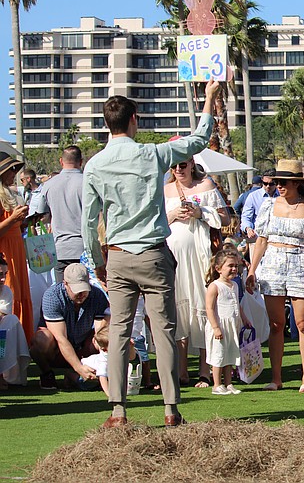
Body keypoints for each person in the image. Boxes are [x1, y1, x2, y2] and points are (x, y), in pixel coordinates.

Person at [82, 79, 219, 428]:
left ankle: (117, 410)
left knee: (119, 333)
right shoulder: (152, 154)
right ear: (133, 121)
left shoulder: (95, 165)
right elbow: (198, 140)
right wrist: (209, 98)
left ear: (106, 123)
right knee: (164, 331)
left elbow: (88, 221)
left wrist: (98, 262)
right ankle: (171, 408)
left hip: (118, 256)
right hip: (154, 254)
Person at [246, 159, 304, 393]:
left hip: (301, 264)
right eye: (276, 181)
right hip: (272, 265)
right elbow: (261, 240)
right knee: (276, 324)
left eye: (284, 182)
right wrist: (252, 269)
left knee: (303, 324)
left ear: (296, 183)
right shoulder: (268, 206)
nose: (279, 186)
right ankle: (276, 378)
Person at [164, 153, 229, 388]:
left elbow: (225, 217)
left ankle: (205, 370)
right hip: (174, 258)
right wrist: (172, 214)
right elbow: (155, 221)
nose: (179, 170)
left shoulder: (206, 185)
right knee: (179, 310)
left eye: (183, 165)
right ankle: (182, 371)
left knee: (204, 307)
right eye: (175, 166)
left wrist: (200, 213)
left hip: (201, 256)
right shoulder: (165, 190)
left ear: (192, 164)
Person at [29, 263, 108, 390]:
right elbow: (61, 338)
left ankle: (92, 374)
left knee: (103, 337)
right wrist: (79, 368)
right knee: (41, 340)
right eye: (77, 290)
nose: (82, 294)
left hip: (82, 346)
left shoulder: (97, 296)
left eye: (84, 289)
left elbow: (100, 333)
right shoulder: (52, 296)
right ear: (65, 284)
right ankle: (47, 373)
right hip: (56, 350)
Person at [29, 146, 84, 283]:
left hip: (60, 249)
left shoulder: (49, 185)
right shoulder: (88, 182)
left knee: (63, 294)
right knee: (86, 294)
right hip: (84, 249)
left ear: (61, 161)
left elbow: (42, 215)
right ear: (81, 162)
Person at [205, 250, 250, 396]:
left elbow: (237, 304)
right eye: (230, 266)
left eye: (236, 266)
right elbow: (209, 308)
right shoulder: (215, 286)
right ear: (218, 268)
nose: (234, 269)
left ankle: (228, 383)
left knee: (230, 354)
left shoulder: (235, 285)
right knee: (219, 354)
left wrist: (244, 319)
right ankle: (217, 384)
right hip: (220, 326)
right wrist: (215, 327)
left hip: (232, 325)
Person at [0, 152, 32, 341]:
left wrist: (23, 222)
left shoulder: (9, 193)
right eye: (10, 169)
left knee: (20, 290)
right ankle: (11, 341)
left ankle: (22, 342)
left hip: (16, 248)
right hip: (5, 252)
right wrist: (13, 219)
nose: (14, 173)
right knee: (10, 290)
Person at [81, 318, 137, 396]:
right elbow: (102, 378)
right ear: (104, 350)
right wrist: (110, 394)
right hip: (87, 369)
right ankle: (70, 376)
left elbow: (131, 357)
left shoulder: (118, 351)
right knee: (85, 383)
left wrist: (131, 347)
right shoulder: (103, 360)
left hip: (104, 374)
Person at [0, 256, 30, 388]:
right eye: (0, 274)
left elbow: (2, 316)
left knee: (12, 321)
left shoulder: (6, 291)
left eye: (5, 274)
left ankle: (7, 374)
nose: (3, 279)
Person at [240, 169, 278, 260]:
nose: (268, 186)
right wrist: (248, 229)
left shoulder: (282, 196)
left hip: (276, 240)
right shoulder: (253, 196)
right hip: (258, 239)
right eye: (265, 183)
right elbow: (245, 217)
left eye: (271, 184)